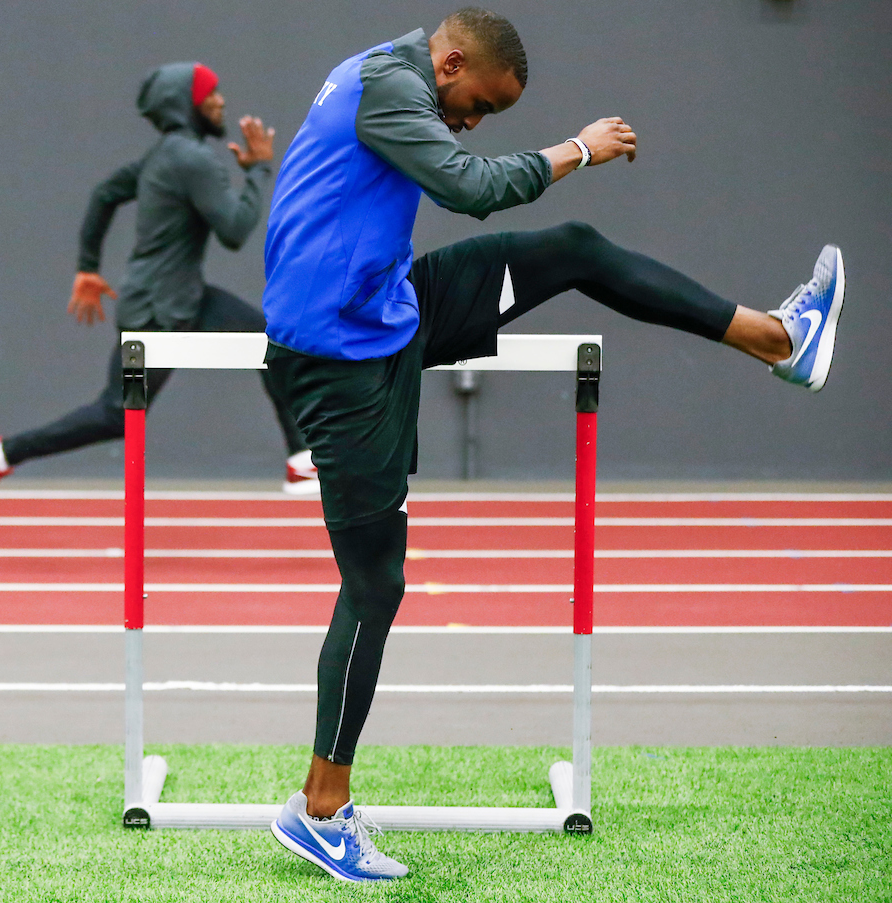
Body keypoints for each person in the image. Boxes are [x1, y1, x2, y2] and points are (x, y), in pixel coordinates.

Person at [262, 8, 844, 882]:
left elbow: (453, 167)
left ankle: (779, 340)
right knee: (376, 583)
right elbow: (466, 186)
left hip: (391, 308)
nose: (470, 123)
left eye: (484, 115)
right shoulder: (387, 87)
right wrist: (576, 149)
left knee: (573, 250)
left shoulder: (396, 74)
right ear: (449, 61)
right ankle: (320, 808)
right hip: (338, 359)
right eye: (477, 106)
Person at [0, 62, 315, 519]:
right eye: (211, 94)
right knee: (117, 415)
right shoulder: (190, 159)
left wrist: (88, 266)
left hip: (178, 298)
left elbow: (105, 194)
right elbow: (234, 229)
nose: (221, 101)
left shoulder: (164, 155)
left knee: (272, 342)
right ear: (186, 105)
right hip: (161, 311)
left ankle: (300, 460)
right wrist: (260, 170)